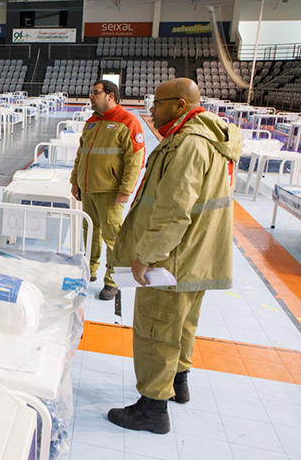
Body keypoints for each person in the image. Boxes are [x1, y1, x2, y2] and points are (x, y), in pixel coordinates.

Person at [107, 78, 241, 434]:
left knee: (156, 330)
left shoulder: (187, 146)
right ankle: (178, 382)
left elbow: (173, 212)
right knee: (183, 325)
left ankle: (152, 407)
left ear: (181, 105)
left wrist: (147, 257)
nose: (152, 108)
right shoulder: (208, 138)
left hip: (173, 261)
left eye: (158, 102)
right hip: (198, 256)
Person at [70, 80, 145, 301]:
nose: (91, 97)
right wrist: (75, 180)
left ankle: (112, 281)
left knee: (113, 237)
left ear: (110, 95)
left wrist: (125, 189)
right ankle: (90, 270)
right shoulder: (92, 122)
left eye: (95, 93)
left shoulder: (128, 121)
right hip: (88, 188)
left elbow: (135, 159)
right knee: (90, 232)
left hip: (111, 192)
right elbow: (81, 154)